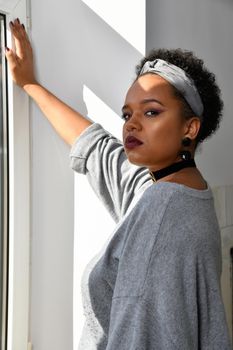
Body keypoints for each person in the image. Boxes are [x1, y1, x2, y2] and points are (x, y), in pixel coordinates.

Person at [6, 18, 232, 350]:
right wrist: (29, 83)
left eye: (151, 112)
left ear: (190, 128)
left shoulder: (161, 212)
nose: (132, 125)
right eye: (128, 115)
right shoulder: (170, 187)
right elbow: (97, 147)